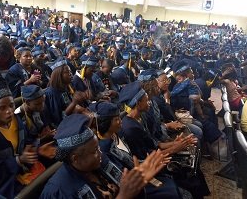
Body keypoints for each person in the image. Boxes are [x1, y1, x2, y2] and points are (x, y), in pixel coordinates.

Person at [40, 114, 168, 199]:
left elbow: (128, 189)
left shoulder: (102, 161)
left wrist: (136, 183)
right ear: (75, 158)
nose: (100, 153)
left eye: (99, 148)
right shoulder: (58, 192)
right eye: (95, 151)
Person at [89, 101, 182, 198]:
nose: (121, 121)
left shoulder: (117, 134)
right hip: (132, 186)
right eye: (116, 119)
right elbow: (121, 178)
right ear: (106, 124)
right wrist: (148, 165)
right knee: (169, 191)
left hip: (140, 172)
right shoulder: (105, 149)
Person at [43, 58, 87, 128]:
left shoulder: (66, 87)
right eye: (67, 72)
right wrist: (74, 103)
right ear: (58, 75)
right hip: (62, 127)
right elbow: (58, 119)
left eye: (70, 71)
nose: (70, 74)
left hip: (72, 118)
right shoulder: (51, 93)